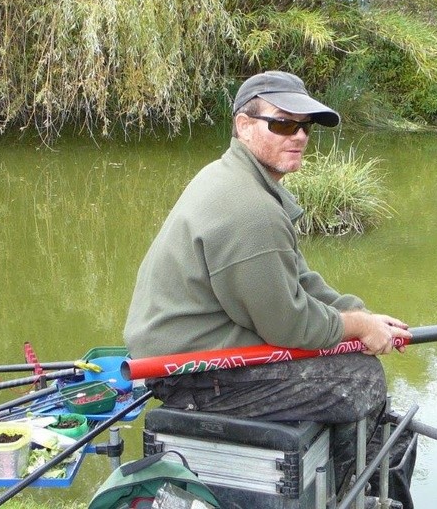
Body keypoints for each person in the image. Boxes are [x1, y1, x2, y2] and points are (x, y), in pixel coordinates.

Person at [123, 70, 415, 506]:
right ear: (244, 125)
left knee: (350, 354)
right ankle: (353, 494)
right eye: (281, 123)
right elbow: (289, 325)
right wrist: (355, 328)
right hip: (193, 375)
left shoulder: (237, 180)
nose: (297, 136)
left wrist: (364, 316)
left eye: (304, 126)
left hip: (196, 355)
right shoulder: (249, 209)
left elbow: (299, 279)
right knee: (361, 378)